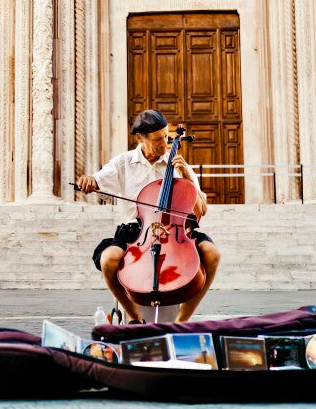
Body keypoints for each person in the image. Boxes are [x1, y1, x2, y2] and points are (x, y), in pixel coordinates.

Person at [78, 109, 220, 324]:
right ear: (140, 139)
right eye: (157, 140)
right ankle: (134, 317)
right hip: (136, 232)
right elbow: (97, 180)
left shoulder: (177, 164)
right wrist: (89, 181)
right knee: (108, 261)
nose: (165, 144)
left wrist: (188, 175)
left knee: (212, 254)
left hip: (175, 230)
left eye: (166, 136)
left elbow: (201, 208)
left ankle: (182, 321)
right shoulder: (123, 163)